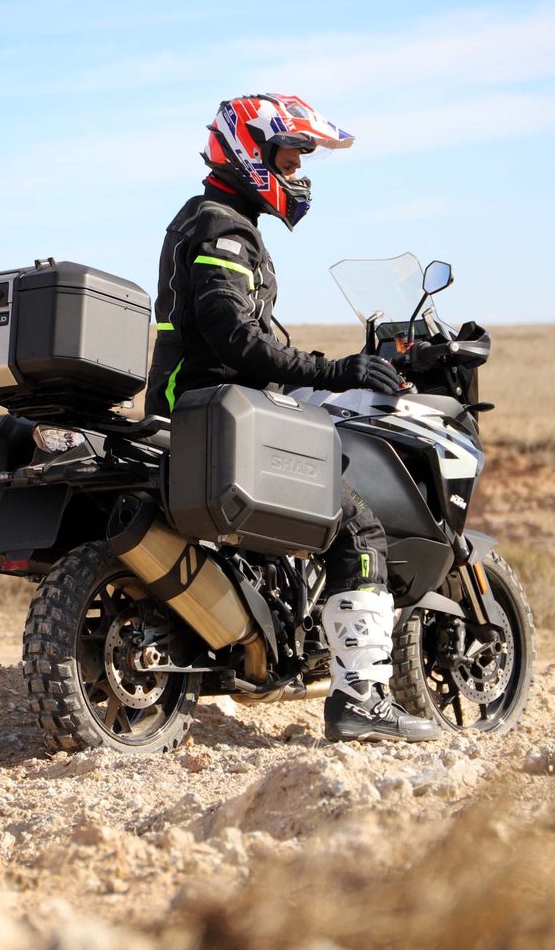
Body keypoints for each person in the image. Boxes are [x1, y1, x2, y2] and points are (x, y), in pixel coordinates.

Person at [145, 94, 439, 743]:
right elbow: (233, 338)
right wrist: (336, 372)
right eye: (288, 156)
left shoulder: (207, 220)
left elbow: (237, 338)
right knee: (355, 526)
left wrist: (304, 374)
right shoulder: (223, 228)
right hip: (212, 421)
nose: (297, 171)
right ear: (249, 151)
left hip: (202, 413)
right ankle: (361, 698)